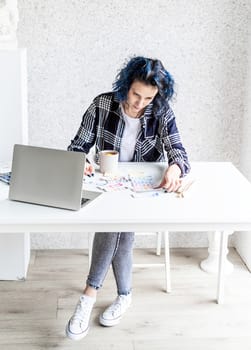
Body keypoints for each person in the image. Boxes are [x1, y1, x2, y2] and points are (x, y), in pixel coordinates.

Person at [65, 56, 190, 340]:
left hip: (142, 193)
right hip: (107, 187)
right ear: (125, 86)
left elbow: (178, 151)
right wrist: (79, 161)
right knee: (117, 225)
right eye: (136, 94)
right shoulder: (102, 105)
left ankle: (89, 295)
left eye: (148, 97)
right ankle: (124, 295)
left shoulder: (161, 111)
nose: (140, 103)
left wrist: (174, 167)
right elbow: (76, 146)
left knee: (115, 225)